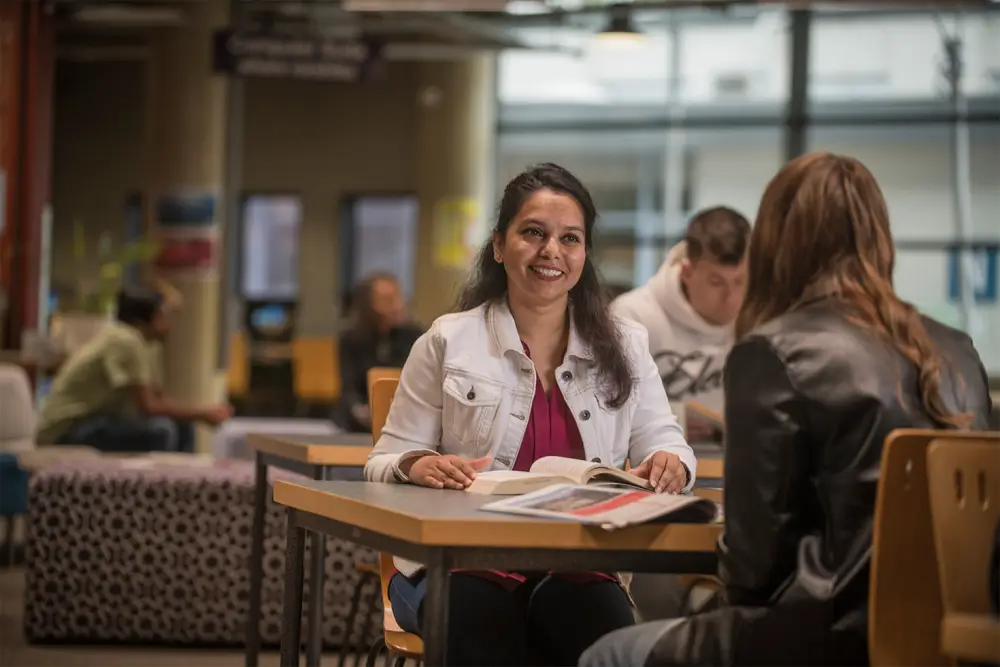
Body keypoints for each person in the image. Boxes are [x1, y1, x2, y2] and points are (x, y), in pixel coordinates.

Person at [580, 152, 995, 667]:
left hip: (821, 637)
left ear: (779, 244)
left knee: (609, 652)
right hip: (951, 636)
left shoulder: (775, 351)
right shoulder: (959, 351)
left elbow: (755, 569)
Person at [364, 163, 696, 666]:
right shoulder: (448, 340)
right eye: (533, 233)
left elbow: (669, 444)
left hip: (579, 565)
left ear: (584, 254)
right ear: (499, 245)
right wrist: (414, 464)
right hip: (459, 563)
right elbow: (383, 459)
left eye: (570, 238)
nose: (552, 252)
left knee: (599, 627)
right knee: (479, 624)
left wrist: (670, 462)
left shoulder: (627, 345)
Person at [36, 287, 232, 452]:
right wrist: (202, 413)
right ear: (143, 320)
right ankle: (156, 492)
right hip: (68, 431)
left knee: (182, 426)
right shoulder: (125, 341)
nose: (169, 324)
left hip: (96, 421)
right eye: (162, 316)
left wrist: (200, 412)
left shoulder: (144, 344)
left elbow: (158, 398)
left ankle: (184, 491)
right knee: (161, 431)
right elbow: (148, 407)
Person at [612, 206, 749, 441]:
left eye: (740, 281)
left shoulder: (755, 316)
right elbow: (605, 406)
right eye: (716, 282)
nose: (731, 297)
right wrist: (674, 418)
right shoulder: (632, 316)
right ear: (687, 272)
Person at [336, 273, 423, 432]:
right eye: (387, 300)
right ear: (368, 305)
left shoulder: (416, 336)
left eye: (398, 298)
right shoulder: (351, 339)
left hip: (405, 421)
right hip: (359, 422)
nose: (397, 306)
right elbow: (348, 386)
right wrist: (360, 411)